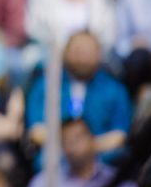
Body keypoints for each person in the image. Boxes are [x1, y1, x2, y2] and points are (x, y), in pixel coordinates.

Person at [25, 31, 132, 161]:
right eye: (78, 51)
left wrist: (86, 148)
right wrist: (70, 146)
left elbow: (119, 135)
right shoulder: (45, 85)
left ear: (99, 55)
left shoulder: (114, 89)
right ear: (64, 53)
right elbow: (36, 131)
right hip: (55, 159)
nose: (83, 58)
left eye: (89, 52)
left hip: (101, 159)